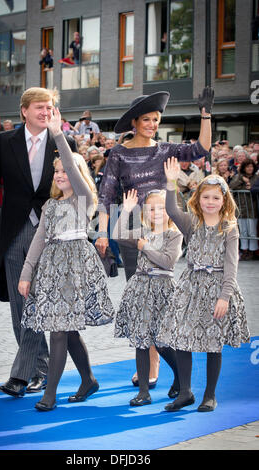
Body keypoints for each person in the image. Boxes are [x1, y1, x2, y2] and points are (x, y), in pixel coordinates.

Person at [96, 87, 214, 386]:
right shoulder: (119, 153)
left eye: (156, 119)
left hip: (165, 228)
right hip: (133, 229)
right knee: (142, 301)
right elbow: (107, 194)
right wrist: (101, 232)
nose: (152, 124)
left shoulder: (166, 150)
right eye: (146, 119)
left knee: (163, 304)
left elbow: (201, 148)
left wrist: (206, 114)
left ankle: (171, 370)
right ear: (134, 123)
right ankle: (150, 366)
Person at [18, 107, 115, 411]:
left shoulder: (83, 199)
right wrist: (25, 273)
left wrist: (58, 135)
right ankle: (88, 379)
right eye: (57, 171)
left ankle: (51, 394)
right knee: (67, 328)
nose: (61, 175)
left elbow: (74, 170)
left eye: (66, 170)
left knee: (59, 329)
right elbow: (37, 241)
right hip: (51, 268)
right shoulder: (50, 205)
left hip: (76, 268)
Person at [0, 87, 61, 398]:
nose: (45, 112)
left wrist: (61, 138)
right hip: (14, 234)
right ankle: (42, 368)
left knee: (36, 304)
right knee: (20, 306)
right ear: (25, 111)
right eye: (39, 107)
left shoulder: (60, 141)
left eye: (49, 107)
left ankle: (22, 375)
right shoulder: (6, 141)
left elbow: (77, 186)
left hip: (50, 235)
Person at [156, 157, 250, 412]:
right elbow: (172, 210)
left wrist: (225, 296)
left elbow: (232, 264)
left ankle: (210, 394)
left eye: (216, 198)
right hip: (191, 286)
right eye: (206, 197)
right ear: (198, 199)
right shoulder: (191, 222)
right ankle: (185, 391)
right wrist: (171, 183)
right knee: (181, 337)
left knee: (212, 342)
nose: (210, 202)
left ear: (224, 201)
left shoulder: (229, 227)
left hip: (217, 287)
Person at [113, 188, 183, 406]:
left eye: (161, 207)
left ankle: (181, 378)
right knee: (141, 341)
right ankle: (144, 391)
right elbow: (117, 236)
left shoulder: (174, 234)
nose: (156, 212)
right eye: (151, 208)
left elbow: (168, 261)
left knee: (161, 342)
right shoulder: (142, 231)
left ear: (170, 210)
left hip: (162, 289)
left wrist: (146, 247)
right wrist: (124, 211)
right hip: (141, 288)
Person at [229, 158, 259, 260]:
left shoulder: (256, 177)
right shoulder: (238, 177)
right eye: (247, 167)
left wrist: (250, 187)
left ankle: (252, 250)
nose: (250, 168)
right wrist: (242, 180)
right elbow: (232, 186)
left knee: (252, 230)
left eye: (251, 166)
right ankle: (244, 249)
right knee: (243, 230)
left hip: (252, 207)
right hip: (241, 207)